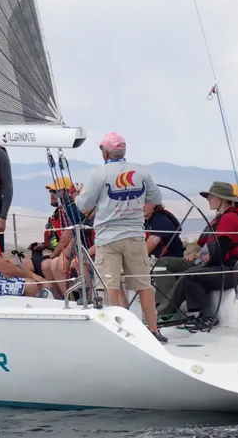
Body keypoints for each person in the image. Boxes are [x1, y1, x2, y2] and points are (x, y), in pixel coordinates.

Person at [74, 132, 167, 343]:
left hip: (108, 239)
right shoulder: (141, 171)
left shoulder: (99, 173)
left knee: (110, 286)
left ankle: (118, 333)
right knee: (144, 284)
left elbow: (84, 205)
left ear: (105, 153)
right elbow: (155, 197)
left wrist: (76, 196)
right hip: (135, 236)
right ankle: (153, 330)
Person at [180, 181, 238, 329]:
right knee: (193, 273)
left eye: (211, 197)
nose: (208, 200)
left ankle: (209, 318)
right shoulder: (228, 217)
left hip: (234, 271)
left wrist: (205, 265)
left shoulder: (228, 219)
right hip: (235, 269)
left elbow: (220, 252)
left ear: (222, 199)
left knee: (192, 276)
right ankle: (199, 315)